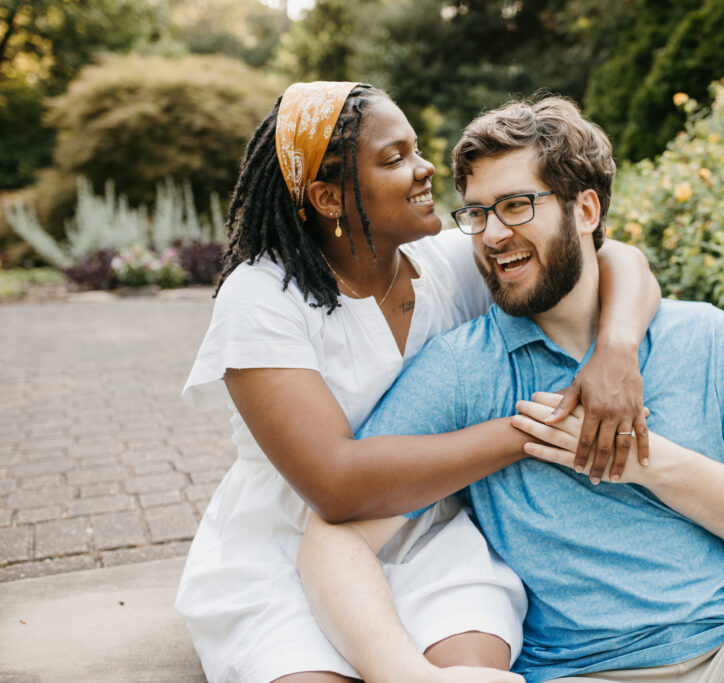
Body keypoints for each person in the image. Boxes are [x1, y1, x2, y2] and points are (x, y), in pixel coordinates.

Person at [298, 96, 724, 682]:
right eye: (476, 213)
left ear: (585, 209)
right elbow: (336, 538)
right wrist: (408, 675)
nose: (493, 234)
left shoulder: (704, 337)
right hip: (585, 669)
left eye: (516, 205)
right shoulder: (465, 367)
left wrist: (646, 460)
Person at [175, 82, 662, 683]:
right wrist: (535, 431)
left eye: (415, 149)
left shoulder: (445, 262)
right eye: (394, 158)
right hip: (286, 547)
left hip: (428, 535)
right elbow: (335, 484)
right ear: (329, 198)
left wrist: (616, 348)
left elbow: (615, 256)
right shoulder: (262, 298)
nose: (426, 168)